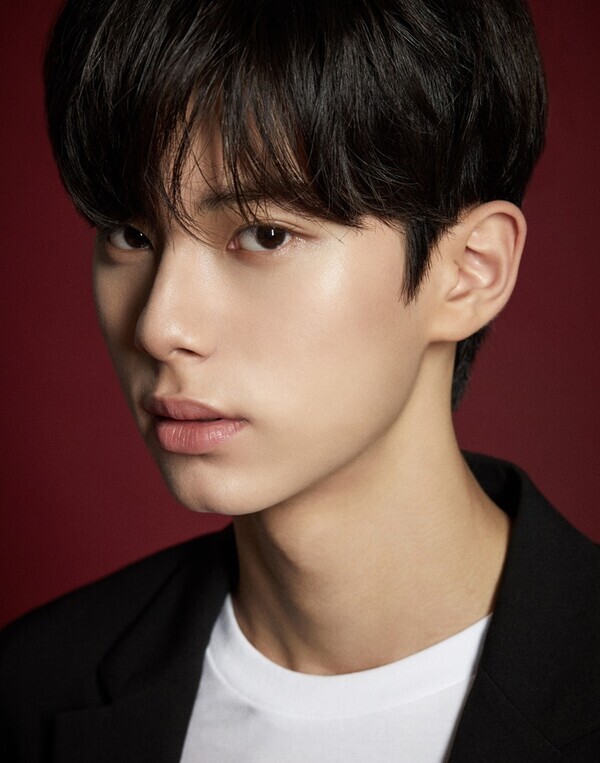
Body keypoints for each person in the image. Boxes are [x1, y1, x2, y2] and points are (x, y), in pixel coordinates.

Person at [1, 0, 598, 760]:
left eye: (265, 234)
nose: (158, 324)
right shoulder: (29, 689)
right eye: (131, 233)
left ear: (469, 271)